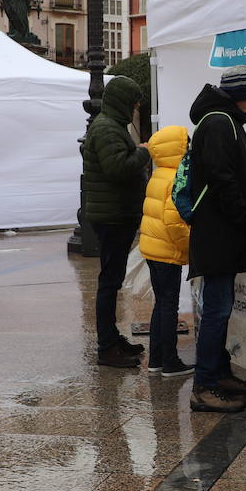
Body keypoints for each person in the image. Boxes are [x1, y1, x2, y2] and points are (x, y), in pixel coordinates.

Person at [186, 66, 246, 414]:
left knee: (220, 308)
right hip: (220, 235)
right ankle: (204, 385)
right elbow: (222, 180)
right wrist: (245, 218)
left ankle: (218, 374)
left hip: (221, 235)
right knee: (217, 311)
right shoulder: (220, 122)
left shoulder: (222, 119)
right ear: (240, 94)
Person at [83, 75, 153, 368]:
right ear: (123, 101)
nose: (136, 107)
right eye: (134, 102)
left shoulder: (111, 126)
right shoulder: (106, 128)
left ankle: (112, 339)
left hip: (116, 214)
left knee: (111, 281)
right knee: (109, 282)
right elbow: (117, 168)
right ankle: (106, 347)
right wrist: (144, 152)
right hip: (112, 216)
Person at [137, 124, 193, 378]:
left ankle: (156, 360)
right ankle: (170, 361)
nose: (190, 148)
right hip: (166, 250)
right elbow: (174, 222)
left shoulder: (158, 175)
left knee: (161, 303)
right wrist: (189, 247)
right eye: (186, 144)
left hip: (152, 248)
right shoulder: (176, 178)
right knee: (168, 304)